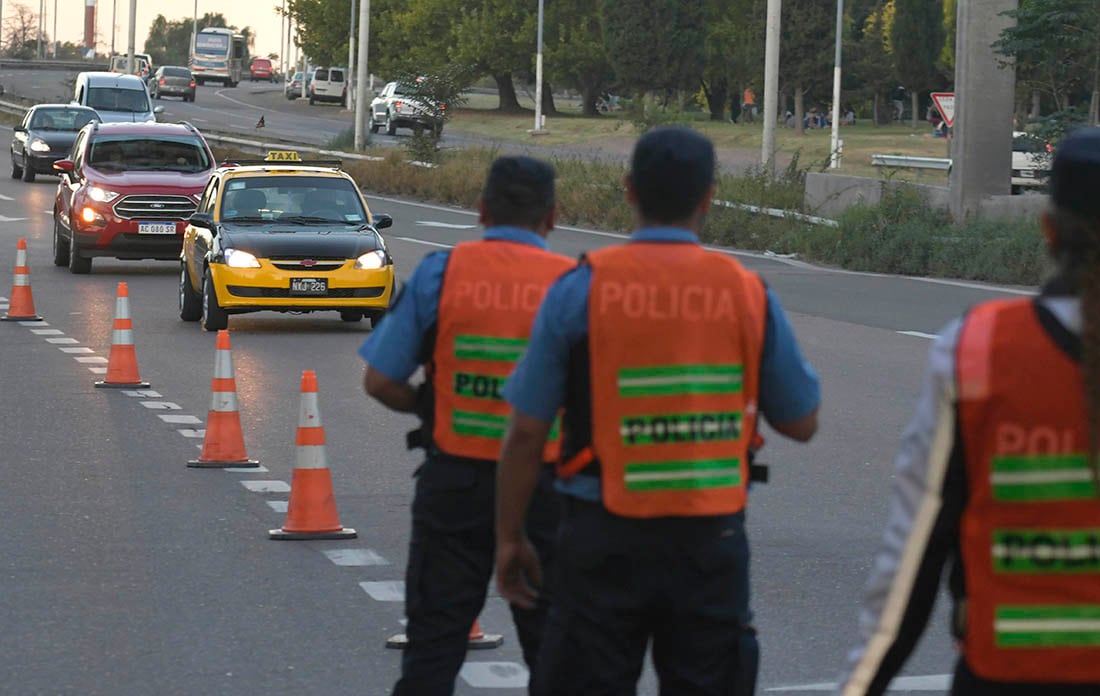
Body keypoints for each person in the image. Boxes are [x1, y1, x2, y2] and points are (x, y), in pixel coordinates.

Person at [494, 126, 821, 695]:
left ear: (629, 191)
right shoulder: (745, 292)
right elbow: (801, 421)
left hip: (601, 539)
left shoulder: (582, 289)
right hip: (709, 543)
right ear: (709, 196)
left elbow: (526, 431)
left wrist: (509, 538)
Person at [836, 127, 1100, 696]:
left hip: (1004, 678)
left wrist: (861, 685)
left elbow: (915, 554)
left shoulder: (978, 351)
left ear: (1047, 229)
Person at [360, 156, 575, 696]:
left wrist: (432, 409)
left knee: (433, 651)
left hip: (454, 486)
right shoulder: (574, 287)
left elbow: (380, 382)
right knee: (556, 657)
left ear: (480, 211)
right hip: (547, 494)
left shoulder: (441, 274)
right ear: (552, 217)